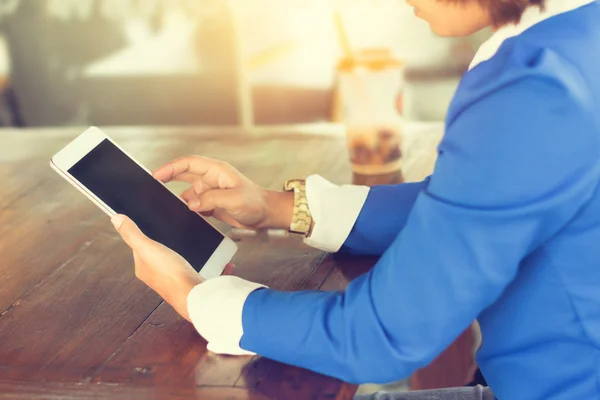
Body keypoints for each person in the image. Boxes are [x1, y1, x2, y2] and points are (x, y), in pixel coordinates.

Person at [110, 0, 600, 398]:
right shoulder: (579, 37)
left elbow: (378, 336)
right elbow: (479, 201)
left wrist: (198, 300)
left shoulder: (534, 84)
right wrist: (279, 207)